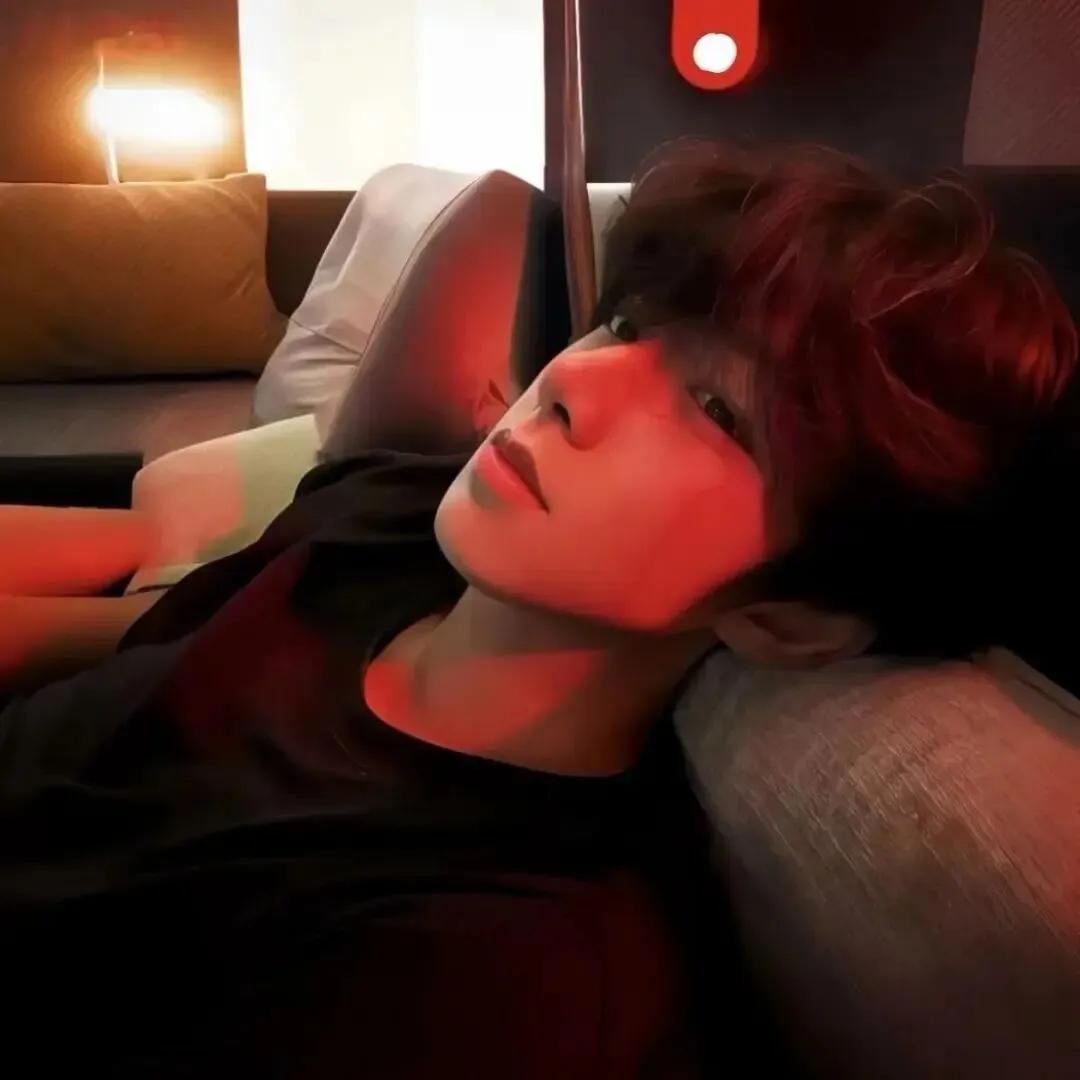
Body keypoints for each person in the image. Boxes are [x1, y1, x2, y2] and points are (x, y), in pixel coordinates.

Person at [0, 140, 1075, 1077]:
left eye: (716, 409)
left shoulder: (487, 966)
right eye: (624, 325)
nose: (574, 381)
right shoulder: (395, 522)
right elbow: (132, 654)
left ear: (788, 621)